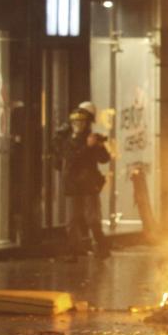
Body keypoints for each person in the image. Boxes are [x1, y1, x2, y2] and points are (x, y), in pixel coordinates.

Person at [53, 103, 111, 261]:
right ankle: (73, 251)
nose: (78, 125)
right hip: (73, 184)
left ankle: (102, 247)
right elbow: (72, 158)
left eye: (81, 122)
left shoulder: (90, 138)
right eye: (75, 122)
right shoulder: (68, 141)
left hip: (88, 185)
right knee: (72, 221)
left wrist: (99, 146)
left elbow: (104, 159)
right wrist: (88, 146)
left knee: (92, 219)